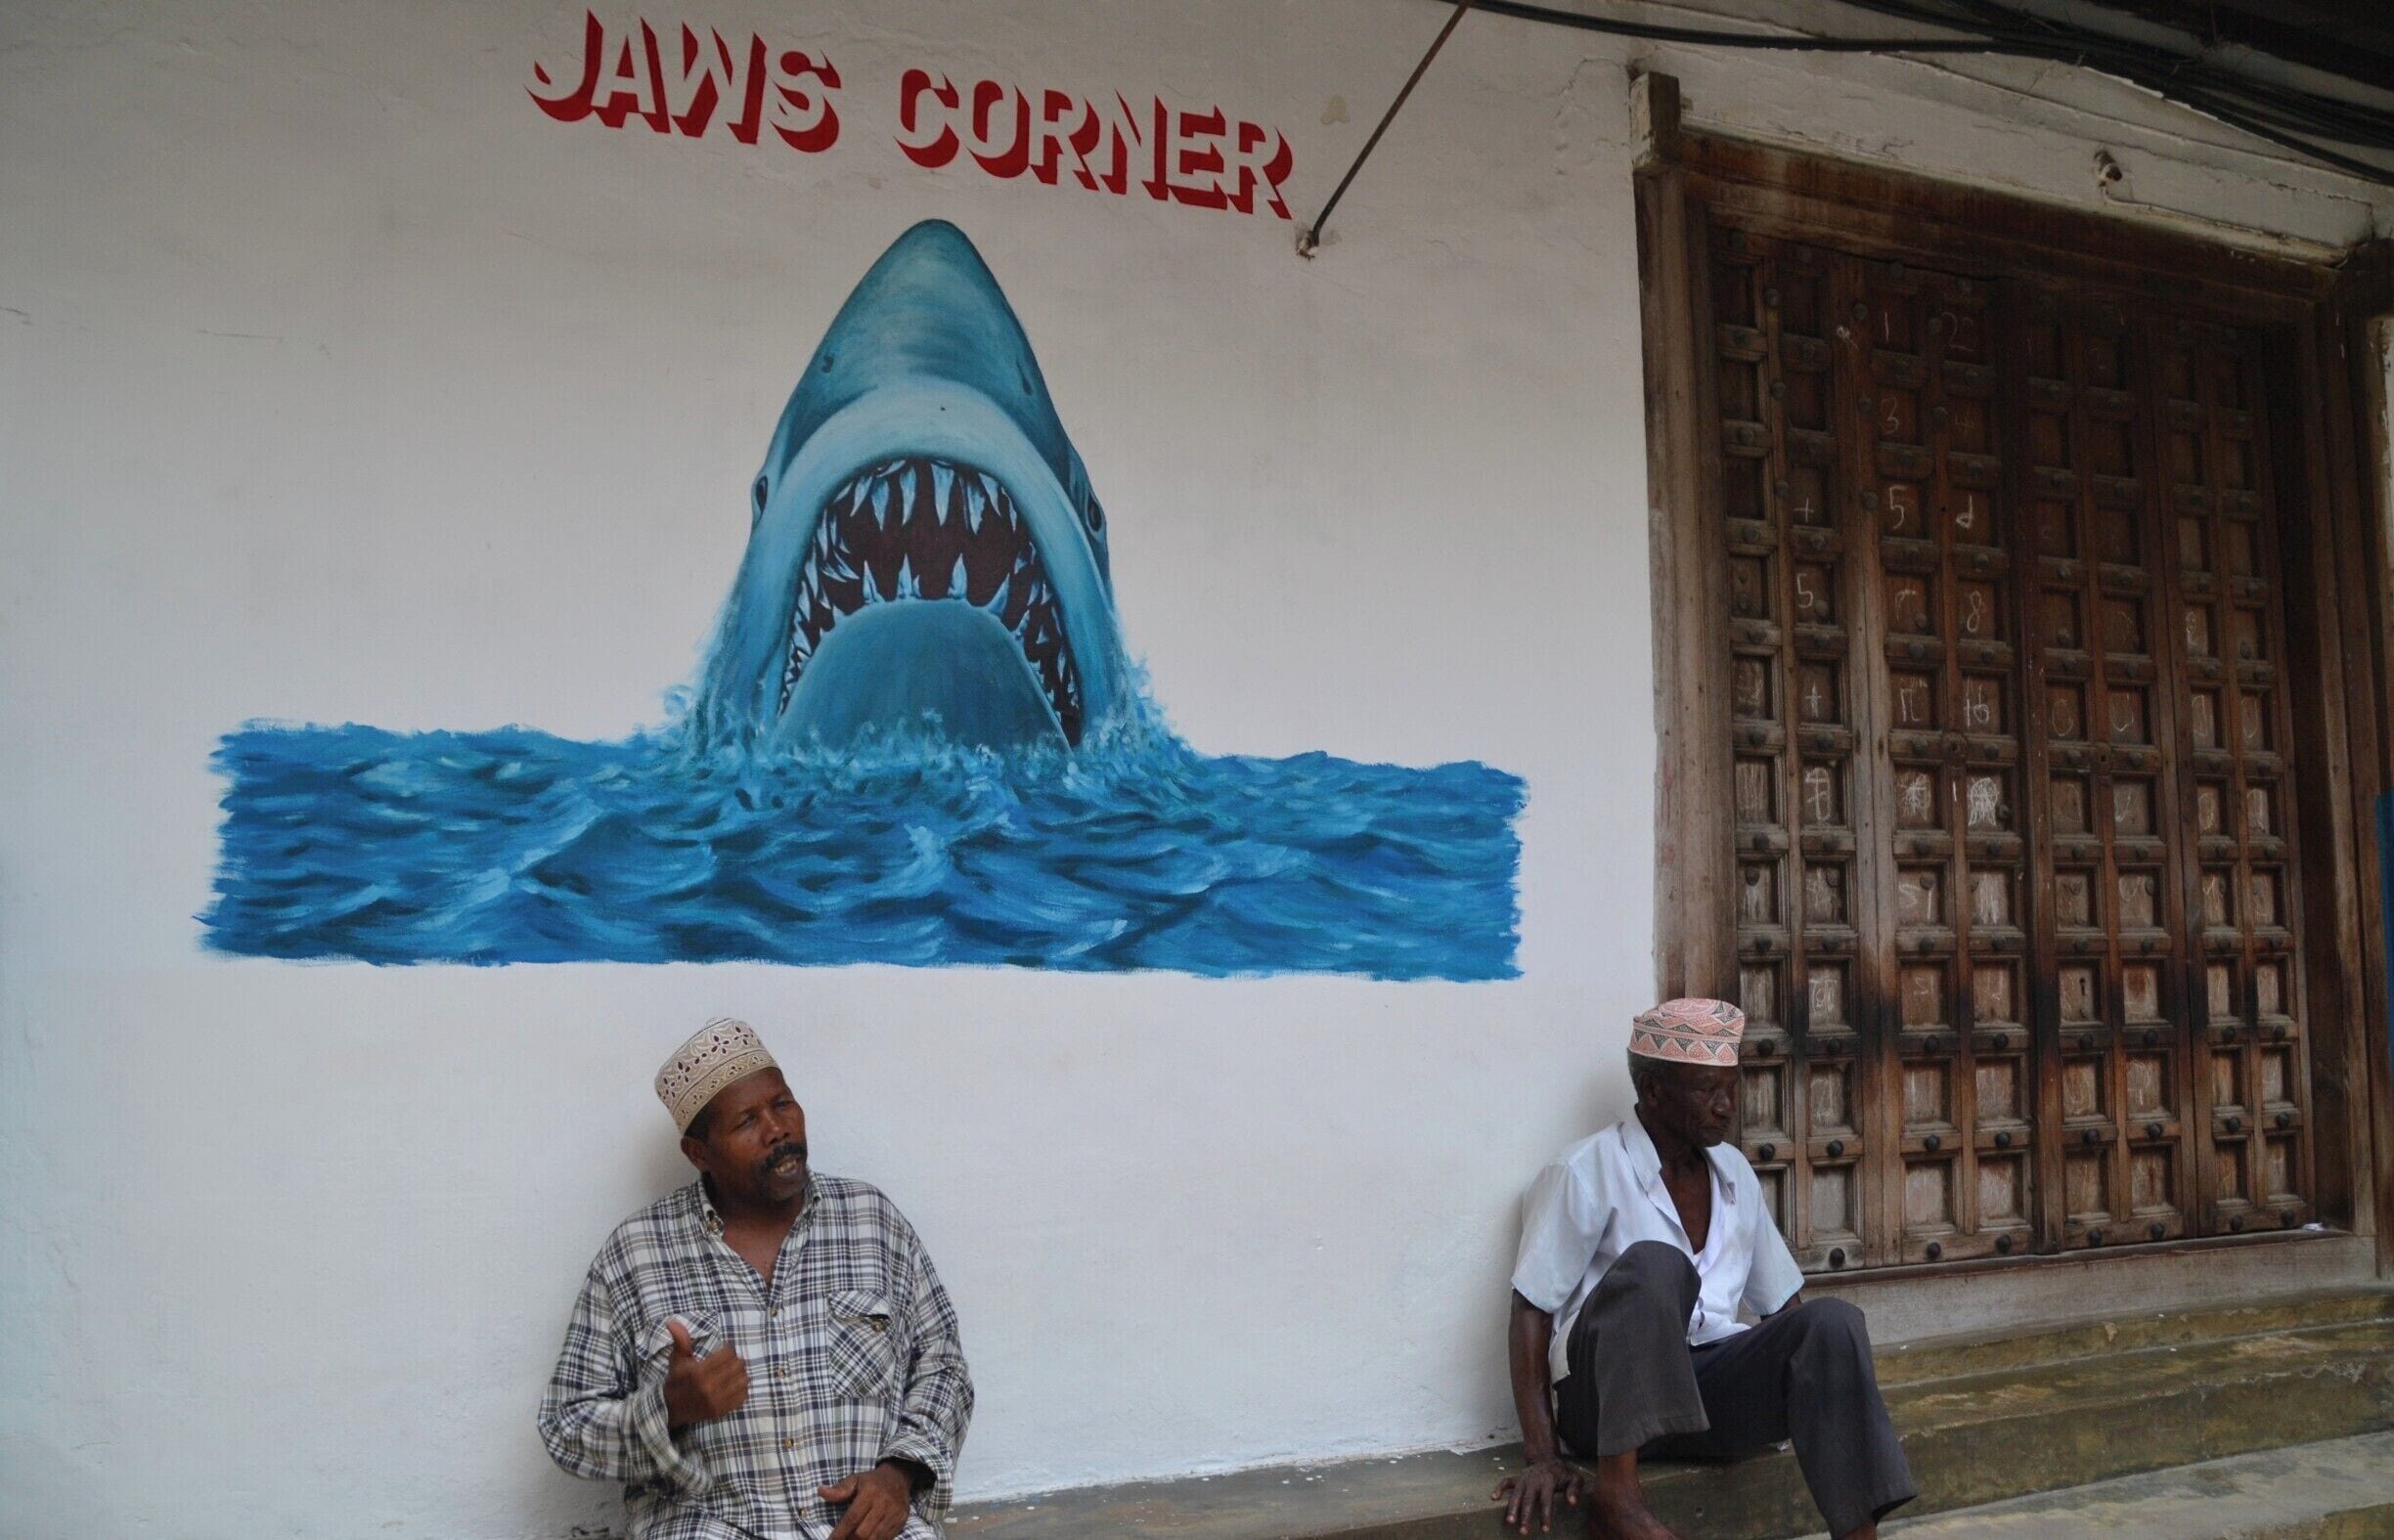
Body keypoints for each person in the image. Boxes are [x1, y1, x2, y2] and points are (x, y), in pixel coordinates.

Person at [1492, 998, 1914, 1540]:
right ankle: (1616, 1499)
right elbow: (1530, 1309)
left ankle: (1859, 1535)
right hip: (1604, 1407)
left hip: (1703, 1398)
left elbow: (1783, 1308)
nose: (1725, 1107)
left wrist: (1807, 1388)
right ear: (1651, 1090)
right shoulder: (1584, 1170)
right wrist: (1542, 1455)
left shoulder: (1734, 1172)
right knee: (1654, 1263)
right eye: (1704, 1090)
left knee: (1832, 1323)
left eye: (1731, 1089)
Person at [539, 1019, 973, 1540]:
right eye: (747, 1120)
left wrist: (901, 1474)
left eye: (783, 1104)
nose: (777, 1129)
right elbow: (567, 1428)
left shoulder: (869, 1219)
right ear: (699, 1153)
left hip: (861, 1526)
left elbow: (943, 1363)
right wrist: (669, 1409)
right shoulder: (635, 1255)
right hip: (710, 1526)